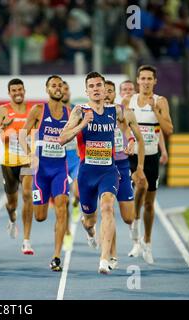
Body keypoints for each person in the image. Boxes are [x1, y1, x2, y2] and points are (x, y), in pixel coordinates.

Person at [60, 72, 124, 274]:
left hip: (108, 170)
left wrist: (130, 141)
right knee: (90, 220)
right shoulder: (79, 111)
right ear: (86, 91)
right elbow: (62, 139)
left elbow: (128, 126)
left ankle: (104, 259)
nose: (96, 89)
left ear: (106, 90)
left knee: (107, 207)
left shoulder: (116, 111)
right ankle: (89, 230)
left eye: (99, 85)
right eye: (92, 86)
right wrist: (82, 124)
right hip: (87, 173)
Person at [123, 65, 173, 264]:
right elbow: (123, 126)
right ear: (137, 81)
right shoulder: (129, 101)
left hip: (152, 155)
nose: (145, 82)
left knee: (150, 204)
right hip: (133, 156)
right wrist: (130, 139)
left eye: (149, 79)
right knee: (140, 185)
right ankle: (135, 223)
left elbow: (169, 128)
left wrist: (155, 111)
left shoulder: (161, 101)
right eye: (142, 78)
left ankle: (147, 242)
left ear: (155, 81)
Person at [20, 75, 69, 271]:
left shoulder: (69, 112)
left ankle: (57, 256)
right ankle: (44, 208)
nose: (57, 88)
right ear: (47, 89)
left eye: (60, 85)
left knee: (62, 207)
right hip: (41, 170)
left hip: (60, 169)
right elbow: (23, 134)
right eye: (53, 85)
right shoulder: (38, 110)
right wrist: (30, 154)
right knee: (40, 216)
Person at [0, 78, 34, 255]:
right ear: (9, 93)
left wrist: (35, 153)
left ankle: (26, 240)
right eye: (14, 90)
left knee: (27, 194)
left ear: (24, 91)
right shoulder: (3, 111)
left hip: (26, 160)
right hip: (8, 163)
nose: (17, 93)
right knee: (12, 203)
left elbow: (37, 134)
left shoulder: (32, 110)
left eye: (20, 89)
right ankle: (12, 218)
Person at [104, 80, 146, 270]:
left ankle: (134, 235)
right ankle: (111, 256)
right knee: (108, 210)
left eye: (110, 91)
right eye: (103, 91)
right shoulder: (91, 114)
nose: (106, 94)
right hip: (104, 167)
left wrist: (139, 166)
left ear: (114, 94)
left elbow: (138, 138)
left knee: (128, 217)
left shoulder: (124, 113)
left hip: (122, 165)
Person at [60, 81, 80, 252]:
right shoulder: (54, 112)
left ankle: (77, 204)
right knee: (63, 200)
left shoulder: (77, 110)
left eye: (66, 89)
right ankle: (66, 233)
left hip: (76, 157)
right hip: (61, 160)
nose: (64, 92)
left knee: (78, 192)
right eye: (61, 89)